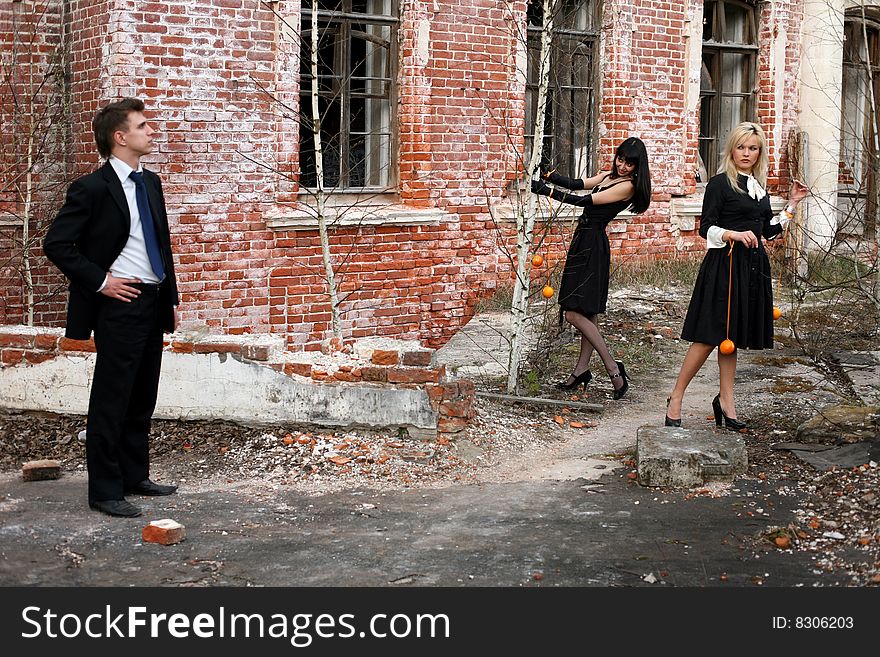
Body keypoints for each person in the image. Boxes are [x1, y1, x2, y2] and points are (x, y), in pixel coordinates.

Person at [43, 98, 180, 517]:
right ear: (120, 137)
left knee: (142, 393)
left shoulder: (150, 182)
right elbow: (57, 245)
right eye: (143, 126)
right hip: (119, 304)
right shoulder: (91, 188)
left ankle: (133, 475)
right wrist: (102, 281)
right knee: (112, 396)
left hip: (152, 300)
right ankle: (104, 491)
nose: (151, 131)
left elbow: (158, 244)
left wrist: (167, 293)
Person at [664, 122, 808, 430]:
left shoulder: (757, 187)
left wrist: (792, 205)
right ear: (732, 149)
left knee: (731, 339)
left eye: (753, 148)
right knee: (707, 337)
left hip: (752, 268)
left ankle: (726, 403)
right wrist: (733, 234)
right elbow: (706, 228)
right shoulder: (720, 184)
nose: (747, 153)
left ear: (759, 153)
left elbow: (767, 231)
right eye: (741, 147)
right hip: (724, 267)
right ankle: (676, 398)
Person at [531, 137, 652, 399]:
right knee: (589, 313)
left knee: (574, 313)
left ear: (637, 167)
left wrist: (545, 190)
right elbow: (576, 184)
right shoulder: (609, 176)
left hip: (593, 245)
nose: (623, 166)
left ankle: (613, 368)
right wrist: (549, 174)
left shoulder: (628, 187)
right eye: (620, 159)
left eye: (630, 163)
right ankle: (581, 370)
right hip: (583, 240)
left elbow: (584, 201)